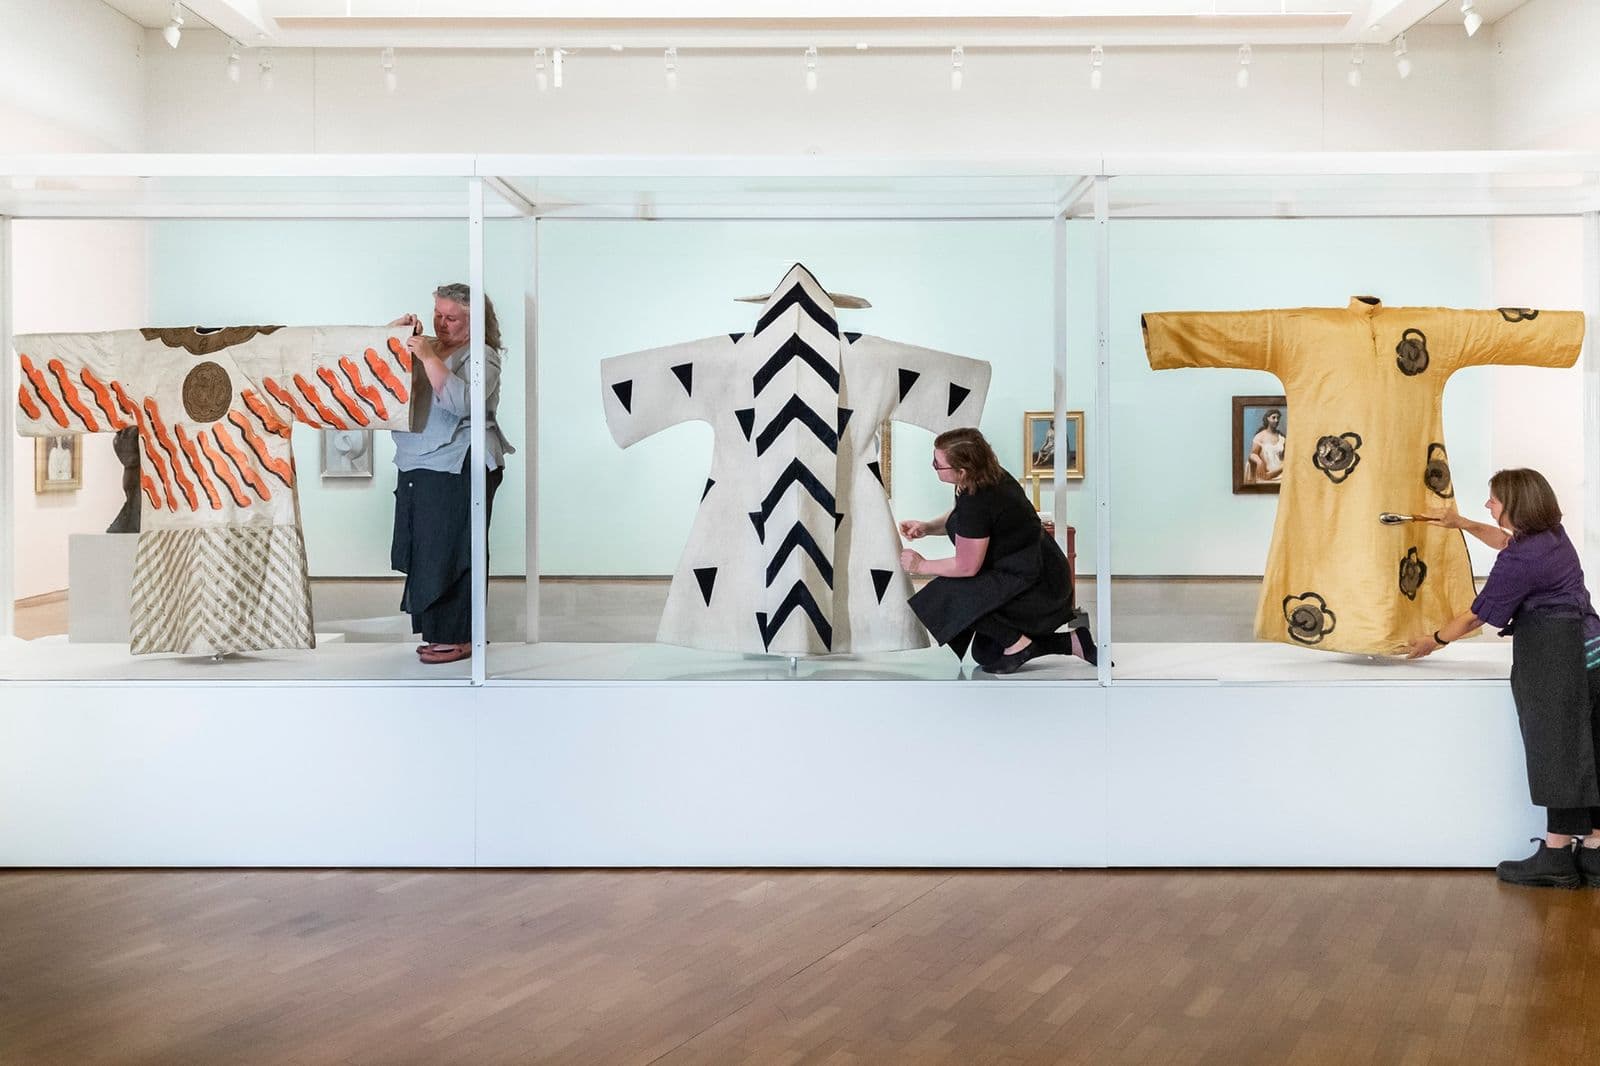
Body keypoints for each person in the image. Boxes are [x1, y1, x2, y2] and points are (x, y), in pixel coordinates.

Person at [1407, 468, 1600, 888]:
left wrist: (1432, 640)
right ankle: (1595, 851)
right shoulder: (1551, 536)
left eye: (1492, 499)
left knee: (1557, 752)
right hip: (1590, 650)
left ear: (1514, 504)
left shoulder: (1521, 560)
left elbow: (1478, 612)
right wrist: (1462, 524)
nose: (1487, 505)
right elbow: (1505, 539)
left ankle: (1555, 856)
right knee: (1589, 747)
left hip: (1556, 656)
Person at [898, 427, 1095, 674]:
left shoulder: (979, 499)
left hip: (1037, 586)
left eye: (938, 464)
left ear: (962, 470)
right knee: (988, 653)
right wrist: (927, 527)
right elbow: (967, 521)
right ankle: (1072, 643)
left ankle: (1019, 645)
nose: (934, 467)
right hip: (1031, 571)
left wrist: (920, 566)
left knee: (943, 595)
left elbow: (966, 566)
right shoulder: (988, 477)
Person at [389, 283, 515, 665]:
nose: (442, 324)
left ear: (474, 321)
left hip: (460, 462)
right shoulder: (426, 346)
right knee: (426, 549)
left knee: (455, 549)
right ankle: (437, 631)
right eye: (437, 315)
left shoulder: (484, 356)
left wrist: (428, 356)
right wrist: (392, 336)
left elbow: (465, 403)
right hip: (417, 461)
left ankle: (459, 635)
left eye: (452, 318)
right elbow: (377, 374)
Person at [1247, 408, 1285, 483]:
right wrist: (1259, 462)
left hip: (1281, 474)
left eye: (1278, 418)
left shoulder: (1282, 438)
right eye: (1273, 417)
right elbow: (1253, 454)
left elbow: (1286, 459)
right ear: (1267, 418)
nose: (1276, 420)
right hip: (1265, 476)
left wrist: (1279, 470)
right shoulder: (1260, 436)